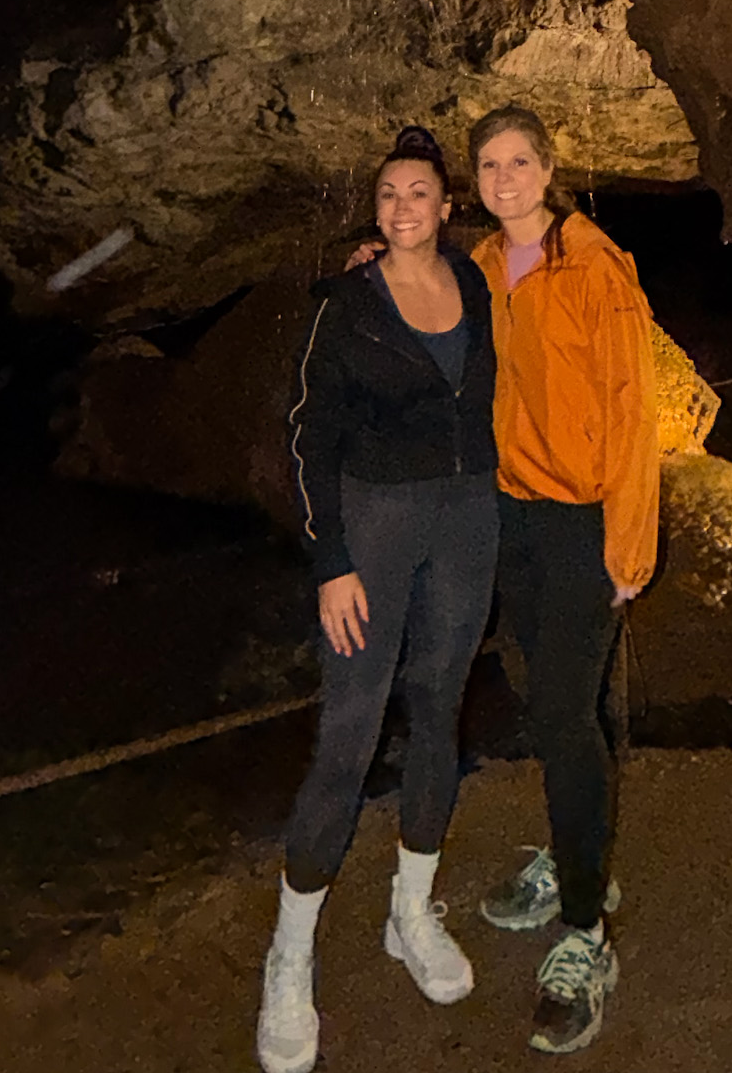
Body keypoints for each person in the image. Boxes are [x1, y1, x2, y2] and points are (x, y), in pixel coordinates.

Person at [257, 127, 500, 1073]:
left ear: (446, 208)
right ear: (378, 209)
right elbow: (307, 434)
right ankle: (290, 954)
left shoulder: (475, 284)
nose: (402, 207)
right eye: (389, 194)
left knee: (439, 709)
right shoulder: (346, 303)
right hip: (379, 524)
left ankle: (410, 911)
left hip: (468, 514)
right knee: (348, 737)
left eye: (420, 194)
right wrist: (332, 561)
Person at [469, 103, 659, 1057]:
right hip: (518, 516)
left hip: (584, 523)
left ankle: (586, 928)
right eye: (489, 166)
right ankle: (573, 850)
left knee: (563, 715)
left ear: (547, 171)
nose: (504, 179)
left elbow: (634, 412)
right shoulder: (484, 269)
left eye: (518, 163)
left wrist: (629, 548)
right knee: (547, 698)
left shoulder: (594, 271)